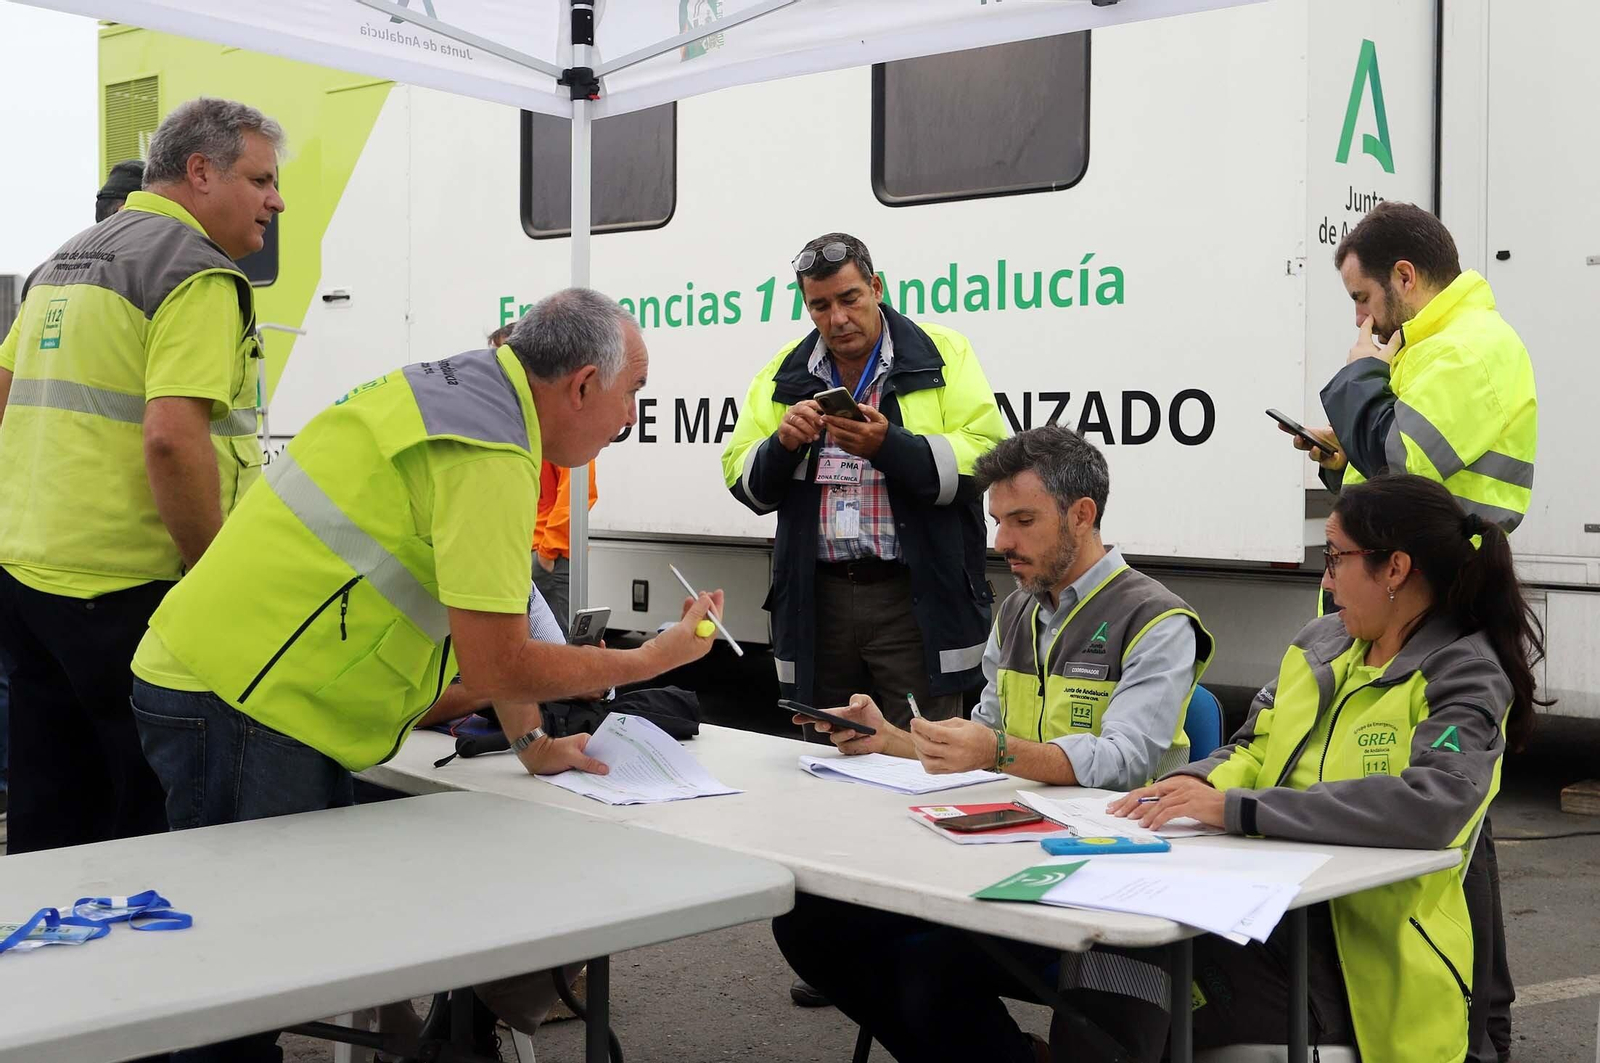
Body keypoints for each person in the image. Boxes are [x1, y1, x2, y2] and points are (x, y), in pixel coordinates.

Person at [129, 288, 720, 1061]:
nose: (627, 418)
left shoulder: (463, 396)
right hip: (244, 702)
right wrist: (649, 659)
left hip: (238, 688)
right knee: (239, 992)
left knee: (249, 964)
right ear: (581, 384)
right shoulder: (492, 449)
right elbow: (498, 659)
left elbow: (488, 618)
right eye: (631, 394)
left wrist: (534, 739)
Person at [773, 426, 1213, 1060]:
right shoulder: (1018, 610)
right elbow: (978, 740)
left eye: (1023, 521)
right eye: (998, 521)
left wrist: (996, 752)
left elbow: (1125, 762)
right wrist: (886, 739)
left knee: (927, 968)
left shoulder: (1157, 620)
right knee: (811, 924)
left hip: (1101, 881)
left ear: (1082, 515)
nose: (1001, 541)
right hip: (1000, 855)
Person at [1083, 474, 1543, 1063]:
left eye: (1335, 557)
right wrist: (1195, 783)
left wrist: (1239, 811)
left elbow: (1433, 802)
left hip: (1363, 964)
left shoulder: (1466, 673)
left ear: (1395, 568)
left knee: (1145, 977)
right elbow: (1252, 749)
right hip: (1269, 911)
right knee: (1111, 955)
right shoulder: (1320, 643)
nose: (1325, 578)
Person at [0, 97, 284, 855]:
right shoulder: (195, 273)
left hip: (31, 578)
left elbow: (4, 398)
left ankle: (38, 965)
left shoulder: (61, 259)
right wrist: (213, 576)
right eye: (260, 179)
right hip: (130, 589)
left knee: (51, 809)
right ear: (200, 172)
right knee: (147, 821)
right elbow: (172, 438)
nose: (275, 199)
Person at [1286, 200, 1532, 1062]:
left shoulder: (1469, 348)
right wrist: (1338, 454)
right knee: (1447, 865)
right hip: (1408, 612)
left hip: (1439, 618)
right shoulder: (1438, 347)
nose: (1361, 319)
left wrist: (1358, 377)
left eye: (1362, 300)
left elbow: (1402, 473)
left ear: (1404, 277)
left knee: (1457, 868)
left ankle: (1479, 1043)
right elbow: (1398, 470)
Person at [721, 232, 1006, 733]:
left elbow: (987, 455)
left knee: (925, 754)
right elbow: (743, 481)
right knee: (821, 754)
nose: (837, 319)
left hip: (911, 600)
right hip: (818, 601)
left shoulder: (944, 352)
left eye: (849, 298)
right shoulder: (782, 372)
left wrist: (889, 447)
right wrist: (782, 446)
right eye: (820, 305)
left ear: (875, 287)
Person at [489, 322, 597, 634]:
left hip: (548, 557)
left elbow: (577, 491)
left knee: (555, 649)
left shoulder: (556, 421)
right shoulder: (519, 418)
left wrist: (547, 553)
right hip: (526, 554)